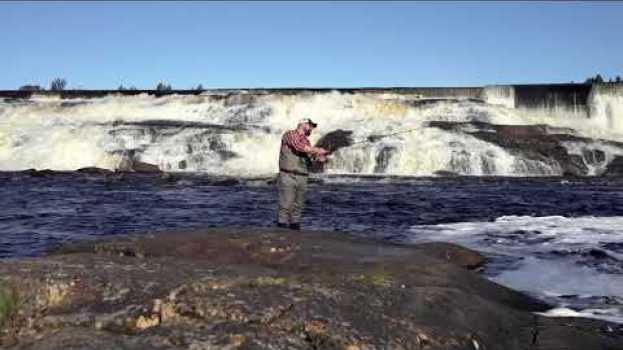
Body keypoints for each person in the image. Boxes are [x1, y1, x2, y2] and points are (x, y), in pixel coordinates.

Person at [277, 118, 329, 230]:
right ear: (303, 124)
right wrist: (317, 150)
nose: (312, 129)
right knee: (286, 204)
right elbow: (298, 146)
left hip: (303, 176)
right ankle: (280, 230)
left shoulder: (307, 142)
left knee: (298, 206)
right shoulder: (289, 134)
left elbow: (309, 159)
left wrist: (320, 158)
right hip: (288, 175)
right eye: (310, 126)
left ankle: (295, 228)